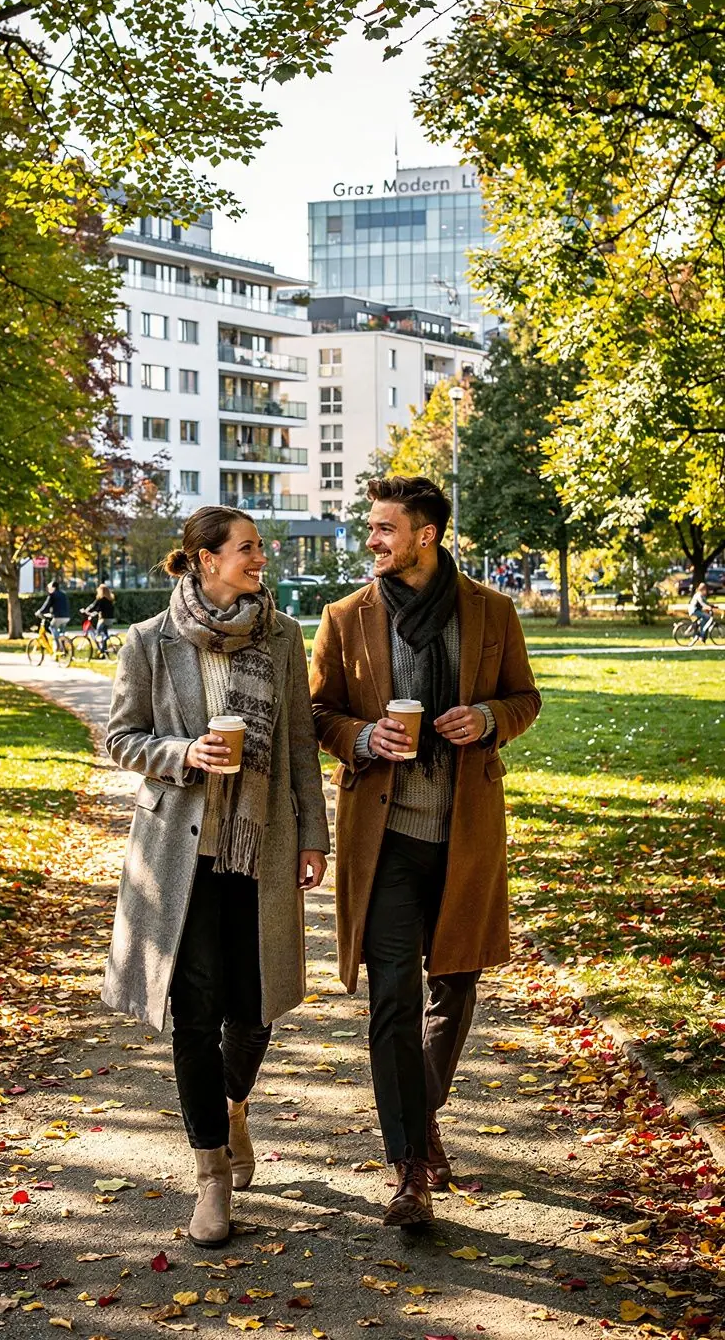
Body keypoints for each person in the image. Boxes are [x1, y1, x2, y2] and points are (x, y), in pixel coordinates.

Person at [310, 475, 542, 1229]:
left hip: (466, 833)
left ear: (425, 535)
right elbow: (319, 710)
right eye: (371, 528)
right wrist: (363, 737)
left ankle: (423, 1111)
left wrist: (487, 717)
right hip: (386, 839)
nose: (371, 540)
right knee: (393, 1000)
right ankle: (409, 1166)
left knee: (456, 988)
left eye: (383, 528)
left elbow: (525, 699)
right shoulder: (346, 618)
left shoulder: (492, 611)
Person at [103, 506, 329, 1248]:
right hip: (180, 852)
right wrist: (184, 754)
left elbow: (299, 743)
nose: (260, 559)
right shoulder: (149, 641)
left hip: (261, 844)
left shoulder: (285, 636)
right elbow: (122, 738)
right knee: (195, 1012)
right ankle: (211, 1175)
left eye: (259, 549)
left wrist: (314, 837)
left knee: (255, 1003)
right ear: (204, 560)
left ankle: (232, 1108)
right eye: (246, 550)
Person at [35, 579, 70, 655]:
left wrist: (40, 612)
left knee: (52, 627)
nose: (48, 589)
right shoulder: (63, 594)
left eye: (49, 588)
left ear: (53, 588)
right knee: (61, 632)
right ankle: (63, 649)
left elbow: (46, 605)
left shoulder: (52, 595)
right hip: (66, 617)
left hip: (58, 617)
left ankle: (57, 645)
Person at [81, 584, 115, 654]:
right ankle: (104, 651)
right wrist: (93, 612)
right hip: (110, 620)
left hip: (103, 620)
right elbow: (97, 608)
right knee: (103, 633)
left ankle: (104, 641)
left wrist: (86, 611)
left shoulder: (101, 599)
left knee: (97, 635)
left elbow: (94, 607)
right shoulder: (110, 600)